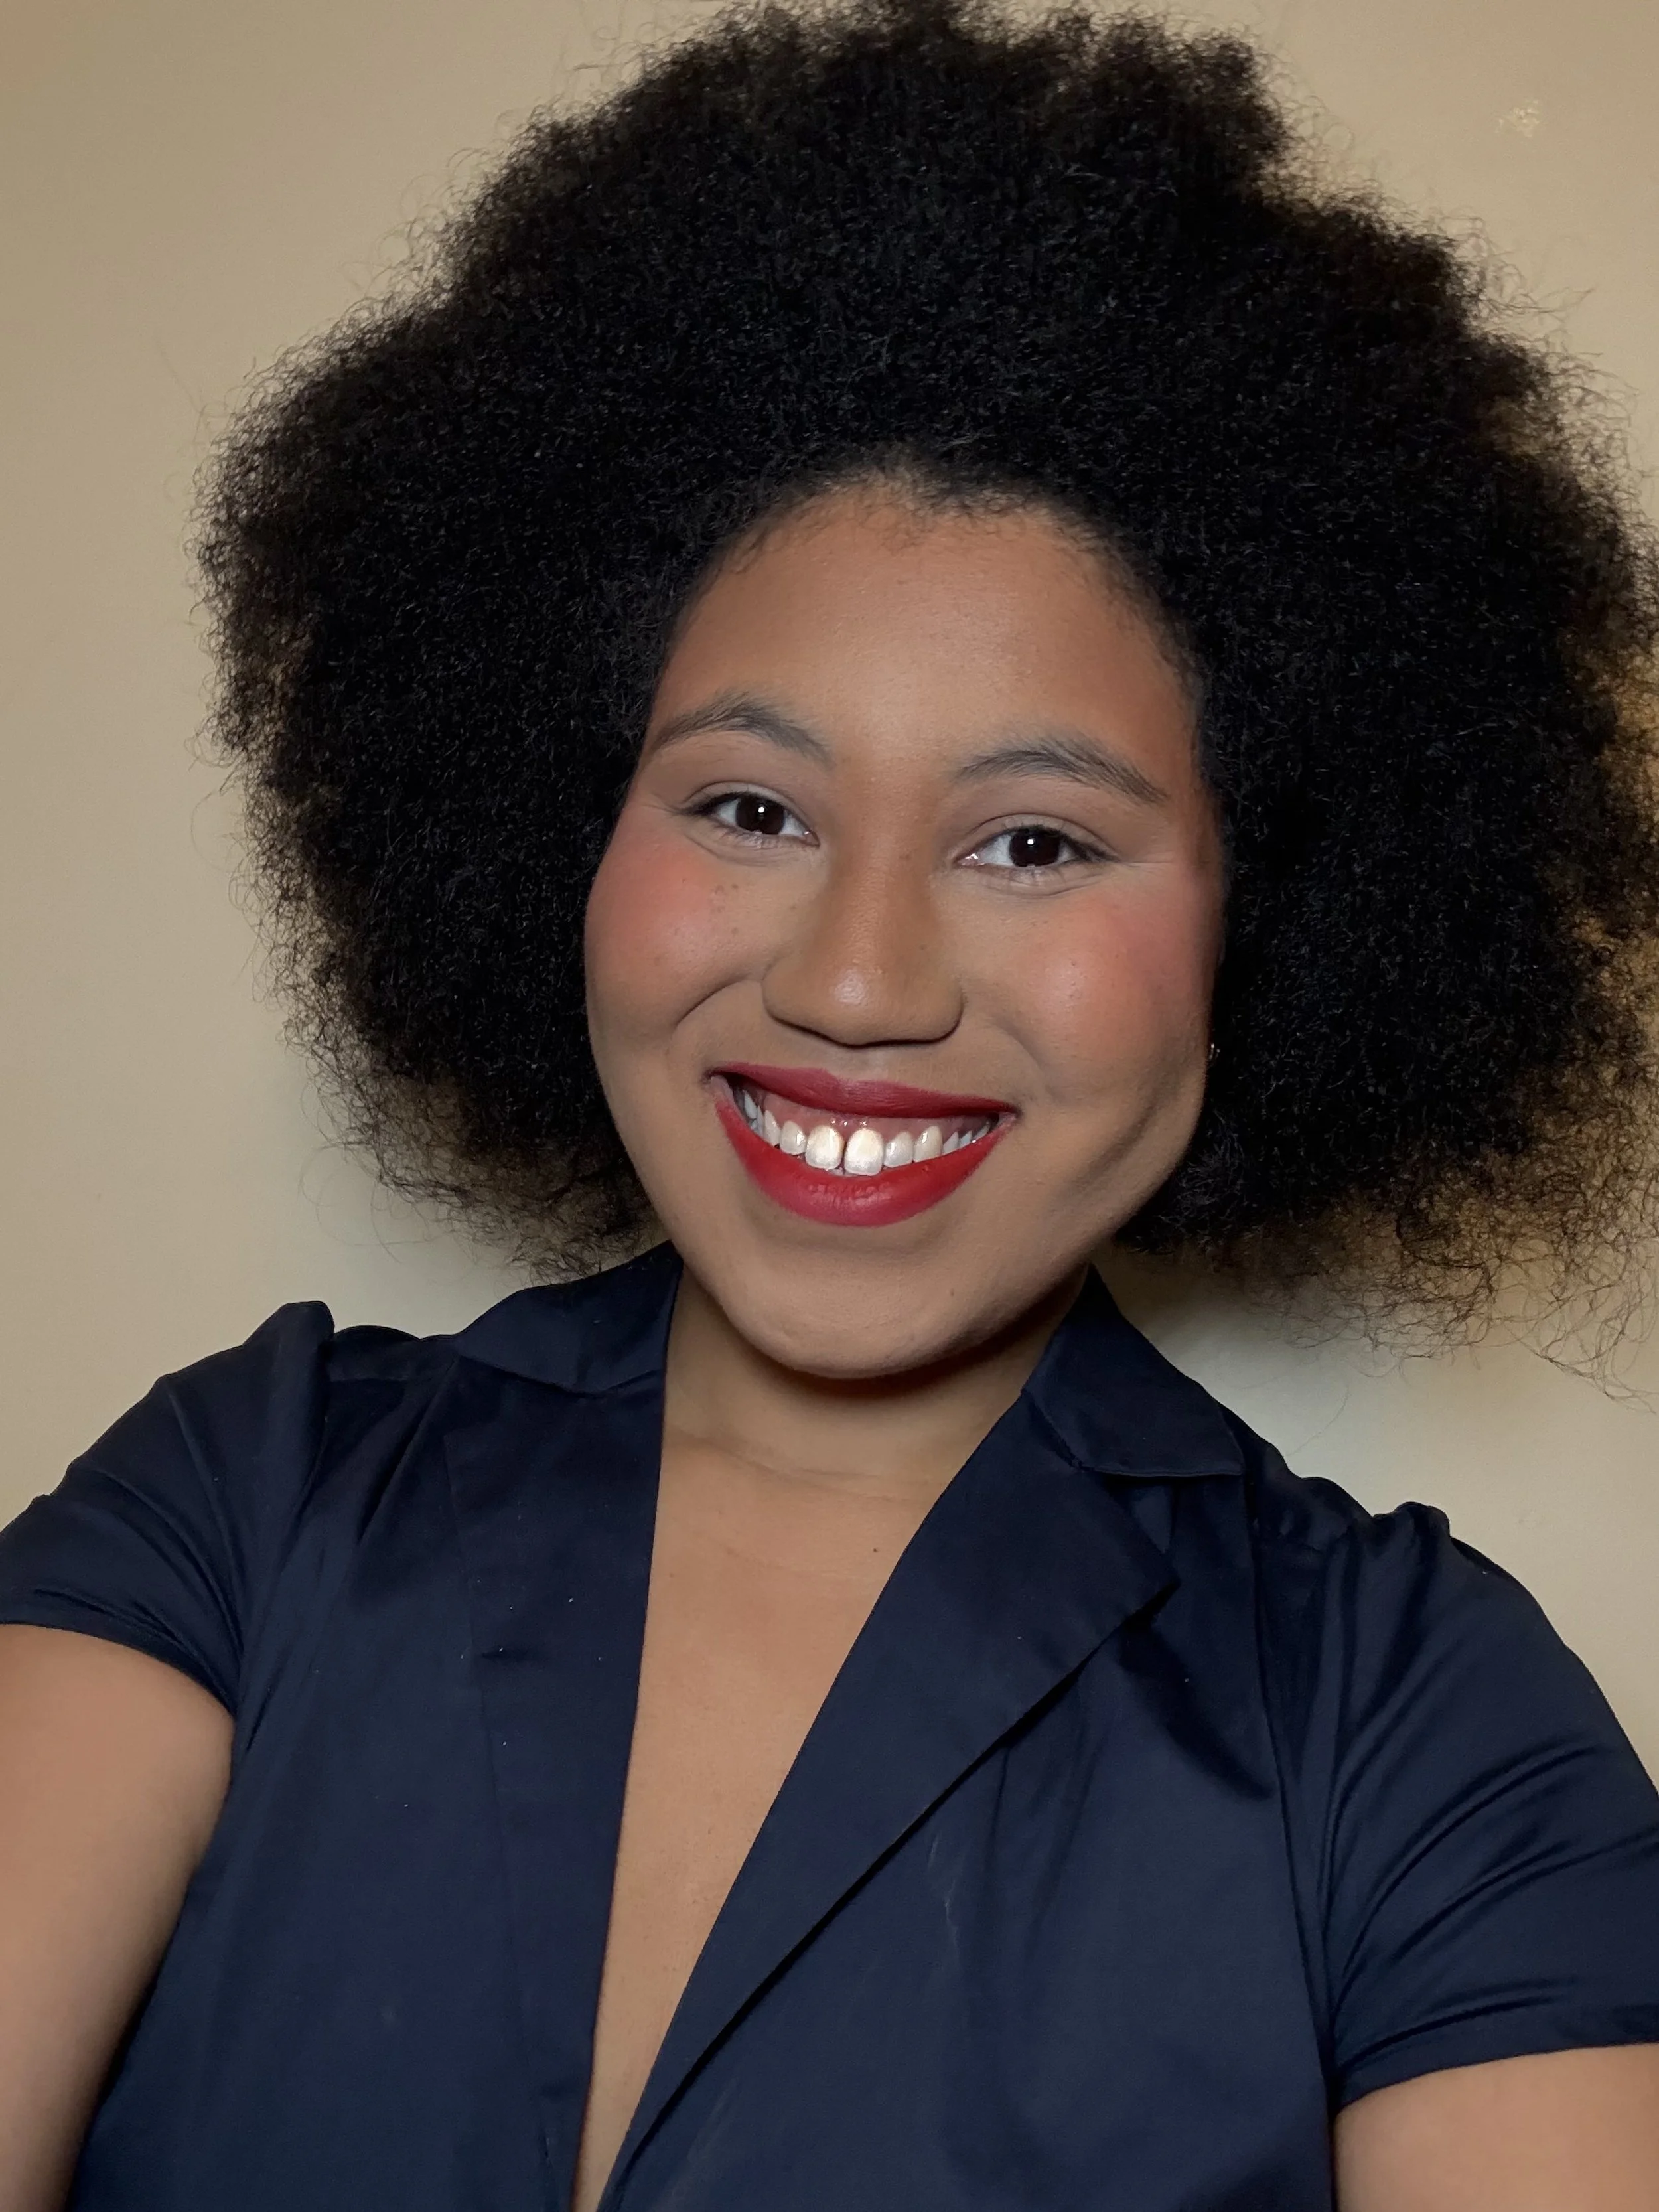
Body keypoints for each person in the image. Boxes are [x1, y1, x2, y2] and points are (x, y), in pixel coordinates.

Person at [3, 1, 1658, 2205]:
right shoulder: (249, 1497)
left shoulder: (1419, 1741)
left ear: (1273, 913)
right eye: (752, 804)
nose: (854, 978)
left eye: (1035, 840)